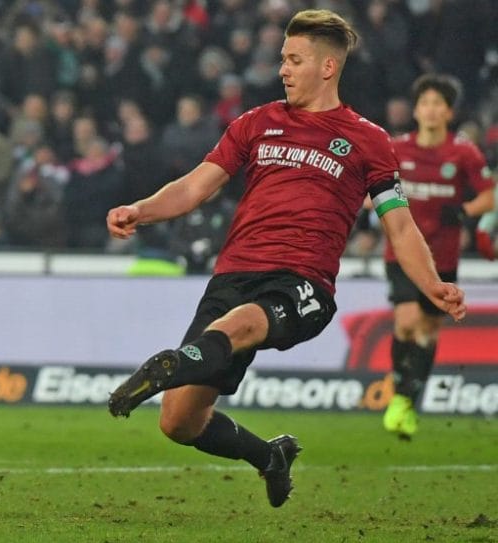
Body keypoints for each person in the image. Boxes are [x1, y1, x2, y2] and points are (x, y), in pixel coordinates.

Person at [104, 10, 466, 509]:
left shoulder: (369, 141)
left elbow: (399, 224)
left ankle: (172, 364)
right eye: (283, 59)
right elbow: (195, 186)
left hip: (301, 284)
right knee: (178, 423)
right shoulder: (257, 123)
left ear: (327, 67)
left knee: (239, 326)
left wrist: (432, 284)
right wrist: (140, 210)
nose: (283, 70)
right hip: (234, 275)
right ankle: (269, 455)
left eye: (294, 60)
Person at [381, 74, 495, 438]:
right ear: (415, 110)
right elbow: (373, 189)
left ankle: (410, 401)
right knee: (406, 321)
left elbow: (489, 196)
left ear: (449, 112)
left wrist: (462, 211)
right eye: (424, 103)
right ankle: (399, 398)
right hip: (400, 252)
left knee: (428, 332)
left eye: (437, 104)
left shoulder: (464, 153)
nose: (430, 110)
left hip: (442, 258)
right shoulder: (396, 148)